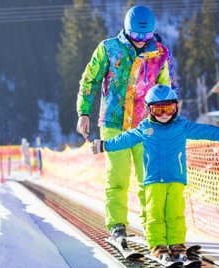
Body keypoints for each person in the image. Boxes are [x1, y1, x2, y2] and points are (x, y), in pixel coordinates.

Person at [90, 84, 219, 260]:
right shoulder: (145, 128)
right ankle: (157, 244)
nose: (164, 115)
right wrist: (105, 144)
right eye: (158, 110)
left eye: (168, 109)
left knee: (175, 212)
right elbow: (125, 139)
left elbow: (205, 131)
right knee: (155, 213)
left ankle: (176, 243)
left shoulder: (182, 126)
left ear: (176, 107)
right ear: (149, 110)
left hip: (176, 178)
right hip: (153, 180)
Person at [76, 5, 178, 245]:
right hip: (114, 123)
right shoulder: (109, 48)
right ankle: (118, 226)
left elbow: (168, 88)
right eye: (136, 36)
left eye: (146, 36)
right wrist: (84, 112)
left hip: (148, 126)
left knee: (150, 180)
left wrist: (170, 118)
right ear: (126, 29)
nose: (141, 41)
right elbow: (89, 80)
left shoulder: (160, 53)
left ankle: (153, 227)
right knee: (117, 178)